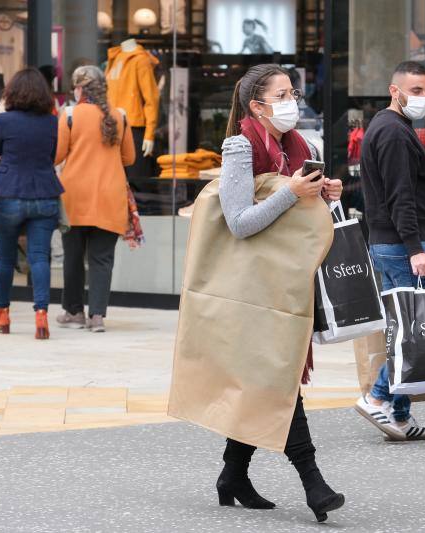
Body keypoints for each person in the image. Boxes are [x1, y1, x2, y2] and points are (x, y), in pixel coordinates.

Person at [169, 64, 345, 523]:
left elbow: (298, 218)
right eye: (282, 94)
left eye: (294, 92)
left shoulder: (299, 146)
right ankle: (314, 483)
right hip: (246, 289)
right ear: (256, 106)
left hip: (282, 285)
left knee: (265, 377)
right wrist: (291, 192)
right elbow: (239, 223)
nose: (293, 101)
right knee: (275, 374)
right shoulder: (240, 146)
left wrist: (326, 195)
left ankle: (233, 475)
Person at [353, 61, 425, 441]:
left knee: (410, 326)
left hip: (395, 243)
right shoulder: (392, 133)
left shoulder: (394, 127)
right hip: (402, 244)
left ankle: (401, 414)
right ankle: (377, 399)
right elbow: (400, 197)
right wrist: (415, 249)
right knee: (420, 326)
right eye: (415, 91)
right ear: (395, 90)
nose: (422, 98)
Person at [54, 65, 134, 333]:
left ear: (78, 89)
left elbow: (56, 156)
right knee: (102, 258)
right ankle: (97, 316)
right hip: (111, 196)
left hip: (74, 196)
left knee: (73, 257)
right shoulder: (120, 115)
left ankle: (74, 312)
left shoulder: (69, 115)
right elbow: (129, 159)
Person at [0, 68, 63, 339]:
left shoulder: (5, 121)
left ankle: (2, 314)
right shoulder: (53, 122)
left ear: (12, 92)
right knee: (40, 257)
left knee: (5, 258)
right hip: (44, 192)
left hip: (8, 192)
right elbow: (53, 155)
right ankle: (41, 316)